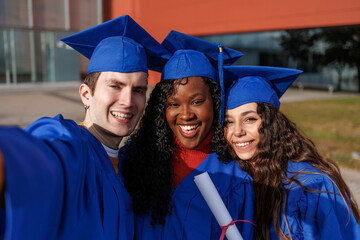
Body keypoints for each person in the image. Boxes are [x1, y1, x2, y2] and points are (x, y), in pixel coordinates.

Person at [0, 15, 170, 239]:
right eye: (115, 86)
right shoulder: (71, 147)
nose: (128, 101)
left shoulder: (132, 167)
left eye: (138, 90)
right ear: (86, 95)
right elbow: (34, 158)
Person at [122, 30, 254, 239]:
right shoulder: (133, 160)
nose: (185, 115)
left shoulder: (235, 179)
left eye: (197, 102)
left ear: (216, 103)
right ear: (161, 108)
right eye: (174, 104)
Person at [222, 65, 360, 239]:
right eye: (228, 122)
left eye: (249, 119)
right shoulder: (231, 181)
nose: (237, 131)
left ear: (271, 123)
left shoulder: (311, 185)